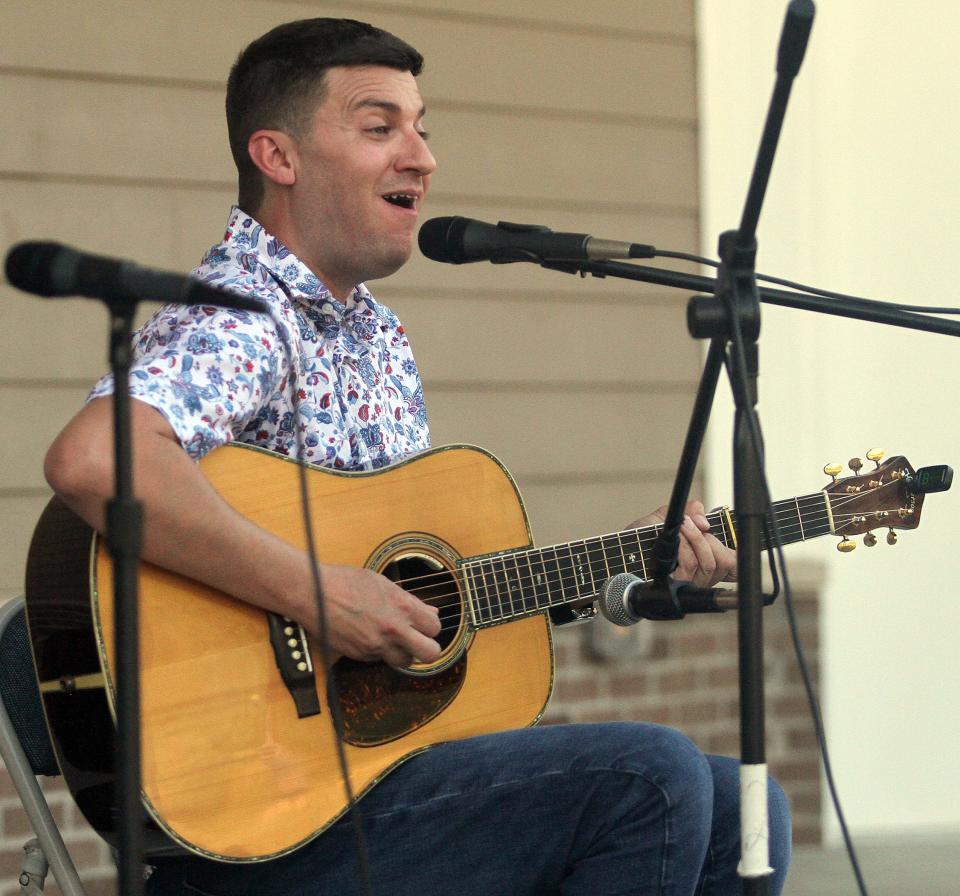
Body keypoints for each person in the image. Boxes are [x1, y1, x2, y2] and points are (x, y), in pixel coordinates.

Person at [44, 18, 791, 896]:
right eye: (379, 126)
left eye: (422, 127)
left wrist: (622, 568)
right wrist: (315, 591)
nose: (423, 158)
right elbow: (97, 459)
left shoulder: (374, 334)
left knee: (751, 809)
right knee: (648, 776)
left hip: (378, 778)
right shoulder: (243, 315)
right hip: (267, 813)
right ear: (278, 157)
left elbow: (418, 608)